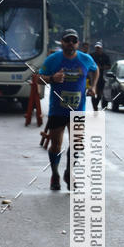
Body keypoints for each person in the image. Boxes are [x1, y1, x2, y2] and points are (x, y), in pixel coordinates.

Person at [38, 29, 98, 191]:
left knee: (77, 144)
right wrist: (52, 78)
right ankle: (55, 174)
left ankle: (69, 173)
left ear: (78, 43)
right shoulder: (53, 60)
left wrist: (93, 86)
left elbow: (95, 69)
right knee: (56, 144)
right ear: (62, 42)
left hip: (77, 110)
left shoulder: (85, 59)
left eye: (74, 40)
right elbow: (37, 78)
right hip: (58, 110)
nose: (71, 43)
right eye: (67, 40)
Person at [90, 41, 111, 111]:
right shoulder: (91, 56)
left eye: (99, 48)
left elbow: (109, 66)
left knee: (99, 94)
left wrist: (101, 67)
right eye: (96, 48)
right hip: (92, 77)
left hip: (101, 77)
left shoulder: (105, 57)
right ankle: (94, 107)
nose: (97, 49)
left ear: (101, 48)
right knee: (92, 92)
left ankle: (96, 104)